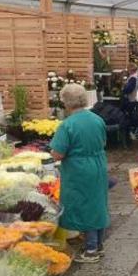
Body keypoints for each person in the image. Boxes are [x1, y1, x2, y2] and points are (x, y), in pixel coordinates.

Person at [49, 83, 109, 263]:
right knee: (98, 203)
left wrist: (51, 151)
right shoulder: (97, 119)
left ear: (67, 102)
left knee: (84, 206)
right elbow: (104, 142)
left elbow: (58, 153)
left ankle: (90, 249)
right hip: (98, 164)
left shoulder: (67, 125)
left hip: (78, 169)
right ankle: (98, 244)